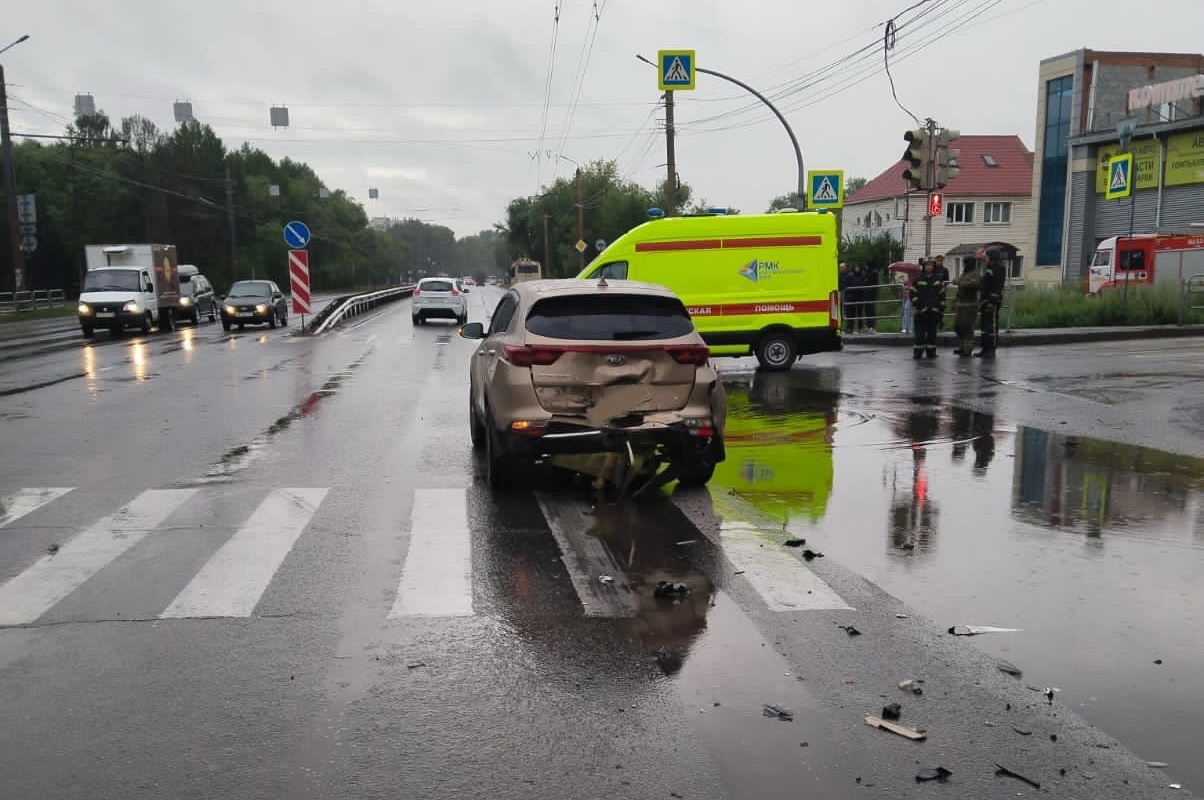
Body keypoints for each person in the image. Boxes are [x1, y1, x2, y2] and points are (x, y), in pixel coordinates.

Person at [909, 258, 945, 359]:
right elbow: (913, 295)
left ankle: (931, 352)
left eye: (931, 265)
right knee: (919, 334)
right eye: (927, 265)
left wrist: (940, 309)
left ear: (934, 267)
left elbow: (942, 296)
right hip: (921, 312)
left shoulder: (938, 280)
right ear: (924, 267)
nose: (929, 267)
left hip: (934, 312)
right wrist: (920, 306)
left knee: (932, 334)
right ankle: (918, 353)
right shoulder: (918, 280)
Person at [975, 247, 1005, 358]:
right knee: (984, 327)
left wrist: (992, 302)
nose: (985, 258)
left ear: (992, 257)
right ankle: (985, 348)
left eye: (987, 256)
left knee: (991, 327)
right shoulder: (989, 267)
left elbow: (997, 287)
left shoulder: (999, 268)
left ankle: (991, 349)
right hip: (984, 301)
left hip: (992, 302)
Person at [952, 255, 981, 356]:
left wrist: (959, 281)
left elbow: (973, 285)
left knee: (967, 327)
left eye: (965, 262)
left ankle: (968, 348)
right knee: (958, 326)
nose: (963, 264)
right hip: (961, 304)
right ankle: (962, 345)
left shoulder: (975, 274)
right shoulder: (964, 274)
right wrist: (955, 300)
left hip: (970, 305)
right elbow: (960, 289)